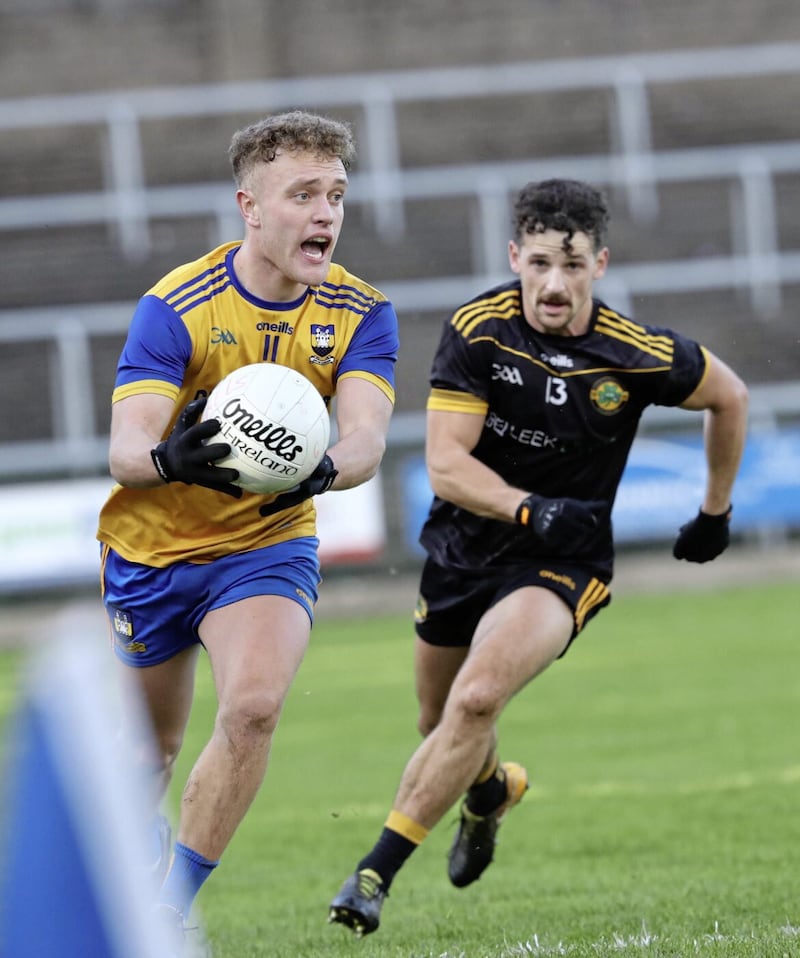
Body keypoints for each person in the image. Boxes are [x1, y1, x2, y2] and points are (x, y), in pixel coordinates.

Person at [328, 177, 748, 936]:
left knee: (477, 700)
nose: (555, 284)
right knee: (438, 718)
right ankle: (488, 794)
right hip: (465, 548)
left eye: (574, 264)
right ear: (515, 255)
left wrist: (714, 512)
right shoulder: (479, 331)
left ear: (601, 264)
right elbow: (447, 464)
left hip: (564, 563)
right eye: (542, 263)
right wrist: (527, 508)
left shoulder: (632, 352)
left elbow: (732, 396)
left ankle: (372, 874)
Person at [96, 110, 399, 946]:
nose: (325, 214)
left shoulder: (363, 312)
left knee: (255, 707)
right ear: (251, 207)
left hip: (263, 545)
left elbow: (367, 439)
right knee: (147, 757)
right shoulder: (177, 306)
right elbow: (125, 452)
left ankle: (169, 903)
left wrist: (323, 470)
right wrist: (171, 460)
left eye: (335, 194)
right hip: (151, 550)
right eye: (302, 194)